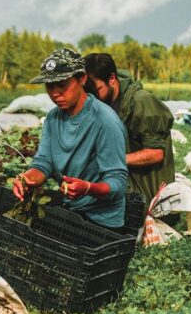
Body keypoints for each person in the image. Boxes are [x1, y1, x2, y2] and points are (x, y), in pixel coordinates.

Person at [12, 48, 128, 229]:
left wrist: (88, 188)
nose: (56, 93)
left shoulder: (104, 120)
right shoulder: (53, 118)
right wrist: (26, 179)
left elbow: (118, 183)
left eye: (63, 85)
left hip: (100, 220)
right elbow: (44, 162)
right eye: (50, 87)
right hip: (71, 209)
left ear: (82, 79)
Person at [84, 52, 175, 203]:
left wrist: (113, 160)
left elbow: (156, 153)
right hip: (118, 182)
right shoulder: (99, 103)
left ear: (112, 79)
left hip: (146, 193)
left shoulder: (142, 102)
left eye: (96, 90)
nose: (92, 96)